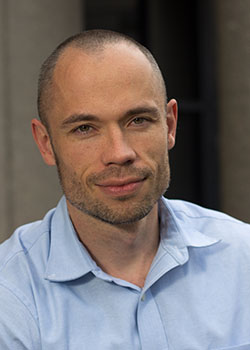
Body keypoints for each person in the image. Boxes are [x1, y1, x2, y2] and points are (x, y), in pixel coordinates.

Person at [0, 29, 250, 350]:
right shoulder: (10, 297)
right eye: (85, 129)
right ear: (46, 144)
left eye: (138, 120)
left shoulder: (243, 260)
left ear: (170, 125)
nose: (119, 153)